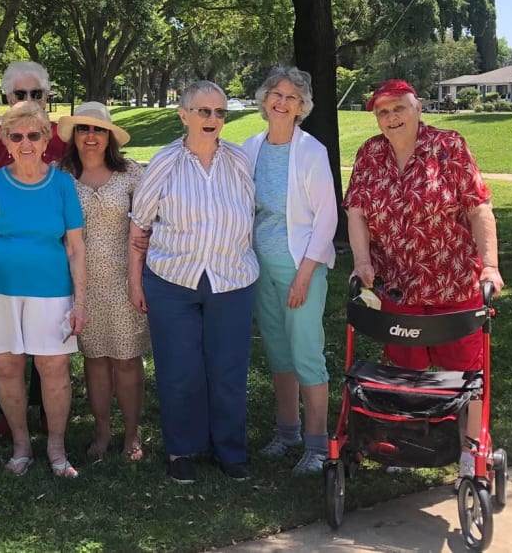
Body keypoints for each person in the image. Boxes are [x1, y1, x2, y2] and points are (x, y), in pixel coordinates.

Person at [344, 78, 505, 482]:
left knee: (466, 375)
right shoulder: (370, 154)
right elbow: (357, 211)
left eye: (399, 107)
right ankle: (406, 444)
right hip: (398, 287)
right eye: (383, 111)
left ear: (418, 108)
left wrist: (490, 265)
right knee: (405, 374)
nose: (391, 117)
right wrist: (362, 261)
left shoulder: (449, 146)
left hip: (453, 285)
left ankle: (472, 453)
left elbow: (478, 207)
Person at [128, 80, 259, 484]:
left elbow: (250, 213)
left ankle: (229, 451)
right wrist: (136, 282)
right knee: (179, 370)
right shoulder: (164, 162)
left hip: (232, 280)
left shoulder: (238, 161)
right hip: (172, 281)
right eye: (204, 111)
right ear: (183, 115)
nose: (213, 119)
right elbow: (139, 226)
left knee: (229, 371)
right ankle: (181, 449)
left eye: (220, 112)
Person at [0, 100, 88, 478]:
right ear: (6, 140)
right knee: (7, 367)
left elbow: (77, 247)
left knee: (54, 368)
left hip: (52, 291)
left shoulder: (63, 183)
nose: (26, 143)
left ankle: (56, 446)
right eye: (16, 136)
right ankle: (20, 446)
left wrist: (81, 300)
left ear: (46, 139)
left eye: (34, 135)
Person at [242, 67, 337, 474]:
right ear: (265, 101)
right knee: (279, 354)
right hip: (260, 267)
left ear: (302, 107)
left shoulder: (311, 151)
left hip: (303, 269)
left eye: (292, 97)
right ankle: (287, 433)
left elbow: (327, 218)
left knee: (306, 355)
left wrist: (303, 276)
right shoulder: (249, 147)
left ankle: (317, 446)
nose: (282, 102)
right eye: (276, 95)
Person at [56, 101, 149, 461]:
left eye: (97, 129)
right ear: (74, 136)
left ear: (109, 136)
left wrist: (147, 240)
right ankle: (101, 433)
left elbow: (149, 222)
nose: (90, 136)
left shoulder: (130, 173)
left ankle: (131, 433)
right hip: (80, 282)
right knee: (94, 359)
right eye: (83, 129)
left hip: (126, 279)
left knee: (127, 360)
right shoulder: (59, 174)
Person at [0, 61, 66, 436]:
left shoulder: (62, 138)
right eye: (20, 94)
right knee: (8, 350)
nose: (28, 100)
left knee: (50, 352)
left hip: (53, 252)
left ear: (46, 97)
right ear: (7, 97)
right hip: (5, 264)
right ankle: (8, 414)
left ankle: (49, 415)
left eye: (36, 94)